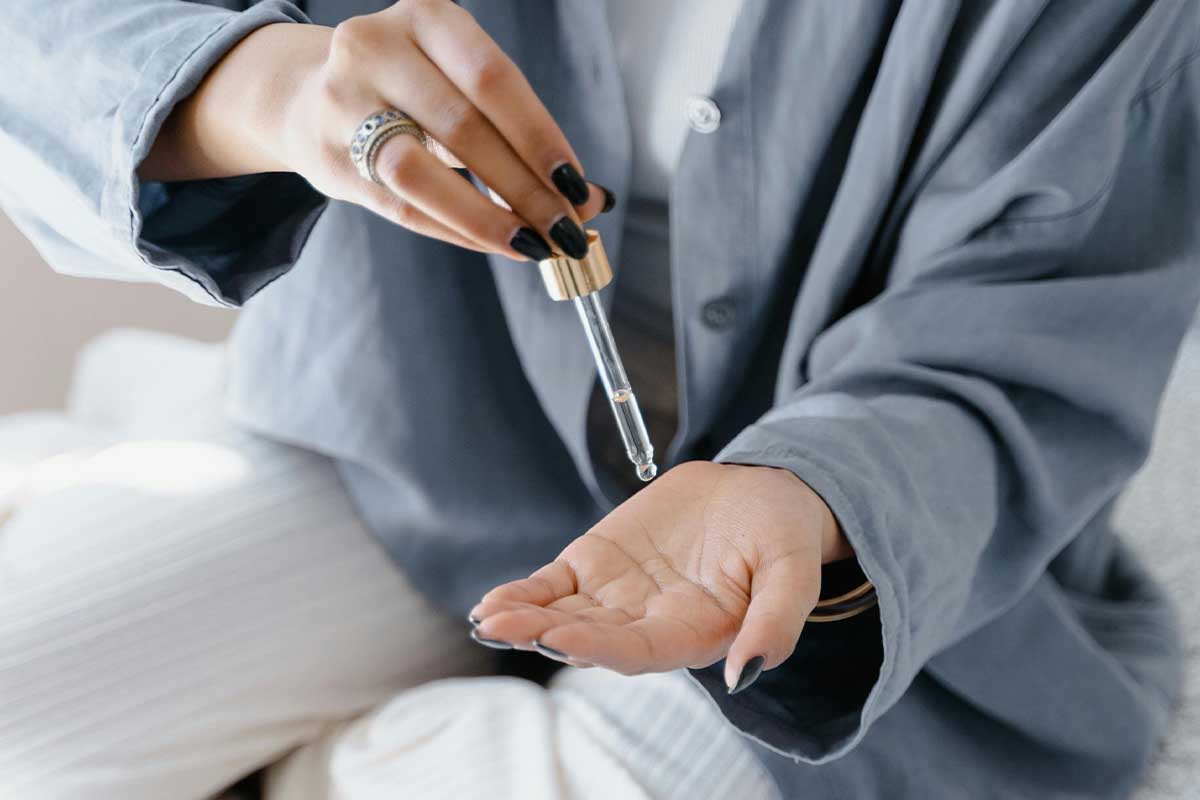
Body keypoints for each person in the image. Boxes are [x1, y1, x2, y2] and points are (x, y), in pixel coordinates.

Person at [1, 0, 1198, 797]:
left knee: (670, 758)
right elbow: (48, 43)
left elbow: (1023, 318)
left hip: (842, 544)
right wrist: (279, 88)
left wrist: (808, 494)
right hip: (412, 426)